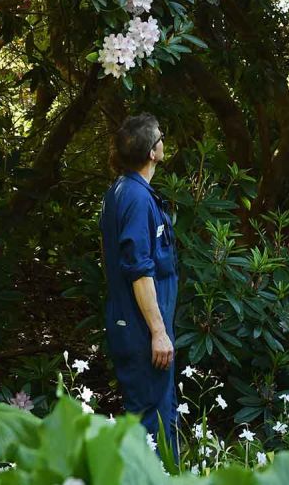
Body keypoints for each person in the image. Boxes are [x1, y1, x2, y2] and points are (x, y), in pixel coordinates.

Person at [99, 112, 179, 457]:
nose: (163, 140)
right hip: (142, 332)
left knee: (157, 419)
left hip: (136, 327)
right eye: (159, 136)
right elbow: (139, 271)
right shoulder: (134, 198)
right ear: (152, 152)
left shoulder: (124, 191)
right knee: (153, 429)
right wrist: (158, 333)